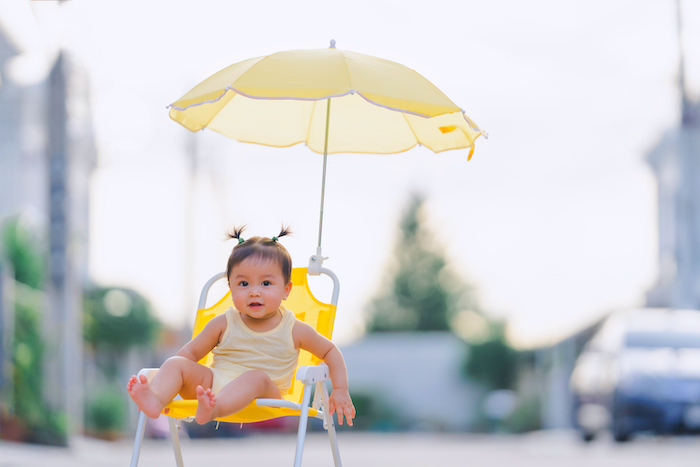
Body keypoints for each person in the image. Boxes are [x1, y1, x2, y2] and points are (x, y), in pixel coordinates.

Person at [127, 226, 355, 426]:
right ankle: (156, 399)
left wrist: (340, 389)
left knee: (255, 377)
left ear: (286, 290)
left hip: (266, 395)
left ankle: (212, 409)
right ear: (230, 288)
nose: (254, 291)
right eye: (243, 283)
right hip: (212, 386)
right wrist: (174, 380)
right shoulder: (223, 323)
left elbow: (330, 351)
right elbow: (189, 354)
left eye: (266, 283)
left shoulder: (295, 328)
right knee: (176, 362)